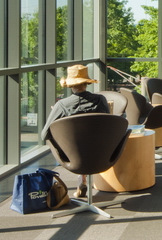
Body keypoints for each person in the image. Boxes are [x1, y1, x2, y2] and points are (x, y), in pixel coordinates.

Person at [41, 65, 112, 197]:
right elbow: (108, 125)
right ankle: (82, 178)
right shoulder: (101, 100)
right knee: (88, 141)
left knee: (77, 141)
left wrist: (59, 122)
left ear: (69, 85)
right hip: (102, 153)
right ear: (86, 83)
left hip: (73, 156)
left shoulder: (62, 105)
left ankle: (81, 177)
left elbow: (44, 134)